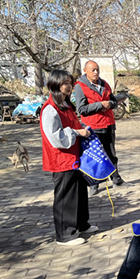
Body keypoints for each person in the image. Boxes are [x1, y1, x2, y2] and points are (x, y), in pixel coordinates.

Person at [40, 70, 97, 246]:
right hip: (61, 159)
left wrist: (82, 128)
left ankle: (81, 224)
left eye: (70, 82)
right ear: (55, 84)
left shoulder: (65, 104)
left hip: (74, 157)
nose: (69, 86)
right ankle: (65, 235)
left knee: (79, 193)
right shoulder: (50, 108)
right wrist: (77, 132)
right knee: (66, 197)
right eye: (65, 83)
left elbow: (73, 124)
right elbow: (55, 137)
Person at [74, 60, 131, 195]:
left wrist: (110, 104)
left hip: (108, 124)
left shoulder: (104, 84)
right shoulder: (80, 86)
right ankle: (94, 184)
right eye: (92, 70)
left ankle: (116, 179)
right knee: (95, 156)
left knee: (111, 154)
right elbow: (81, 109)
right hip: (93, 127)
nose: (96, 72)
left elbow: (113, 102)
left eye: (97, 69)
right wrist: (100, 105)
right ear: (85, 71)